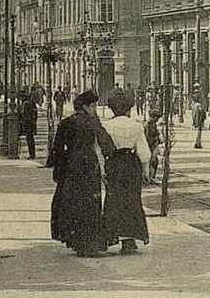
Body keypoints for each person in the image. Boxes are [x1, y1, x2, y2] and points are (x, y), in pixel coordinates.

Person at [48, 91, 115, 257]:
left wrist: (57, 167)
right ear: (85, 106)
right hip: (89, 166)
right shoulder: (92, 122)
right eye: (93, 106)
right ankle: (89, 242)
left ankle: (75, 240)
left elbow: (56, 148)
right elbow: (107, 144)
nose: (95, 109)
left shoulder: (66, 122)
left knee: (72, 203)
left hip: (70, 165)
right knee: (90, 204)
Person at [101, 90, 151, 255]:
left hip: (113, 164)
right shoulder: (136, 126)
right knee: (132, 200)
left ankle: (113, 236)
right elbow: (144, 153)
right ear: (129, 108)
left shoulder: (106, 126)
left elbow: (99, 151)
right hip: (131, 165)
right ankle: (129, 240)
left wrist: (102, 170)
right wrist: (146, 171)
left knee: (113, 200)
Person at [19, 91, 38, 160]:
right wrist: (34, 121)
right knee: (31, 140)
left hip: (27, 125)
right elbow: (36, 114)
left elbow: (24, 115)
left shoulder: (25, 104)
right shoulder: (32, 103)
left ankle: (32, 155)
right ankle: (32, 154)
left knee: (29, 140)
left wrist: (22, 122)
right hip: (32, 124)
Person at [144, 110, 162, 182]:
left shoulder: (152, 124)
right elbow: (149, 137)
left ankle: (151, 177)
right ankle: (150, 178)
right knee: (152, 162)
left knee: (153, 162)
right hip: (149, 146)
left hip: (151, 146)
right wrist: (157, 140)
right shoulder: (149, 124)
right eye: (157, 117)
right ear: (153, 117)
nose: (157, 119)